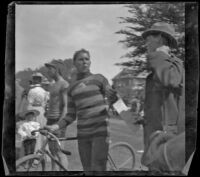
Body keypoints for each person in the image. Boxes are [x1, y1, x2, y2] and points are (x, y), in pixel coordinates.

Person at [45, 49, 117, 172]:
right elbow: (71, 115)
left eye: (87, 59)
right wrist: (56, 127)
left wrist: (114, 98)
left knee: (98, 168)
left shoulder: (99, 78)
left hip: (101, 130)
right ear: (74, 63)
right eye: (81, 59)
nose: (84, 62)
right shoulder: (72, 87)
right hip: (83, 134)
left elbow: (114, 98)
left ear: (90, 62)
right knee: (87, 170)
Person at [140, 22, 185, 171]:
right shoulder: (154, 75)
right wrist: (117, 103)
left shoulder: (176, 65)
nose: (146, 42)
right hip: (153, 143)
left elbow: (170, 79)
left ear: (160, 38)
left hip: (167, 143)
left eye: (149, 37)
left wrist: (159, 53)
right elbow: (153, 112)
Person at [44, 61, 69, 171]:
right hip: (50, 119)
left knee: (59, 152)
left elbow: (65, 106)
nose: (48, 71)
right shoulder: (52, 85)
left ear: (57, 69)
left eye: (50, 69)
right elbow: (53, 102)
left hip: (58, 120)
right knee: (52, 151)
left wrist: (60, 124)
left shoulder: (64, 84)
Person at [27, 73, 49, 153]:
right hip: (42, 111)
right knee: (42, 130)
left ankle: (34, 151)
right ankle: (43, 150)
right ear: (40, 80)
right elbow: (45, 103)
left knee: (34, 130)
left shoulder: (32, 91)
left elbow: (29, 103)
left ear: (34, 80)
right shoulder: (44, 91)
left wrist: (28, 114)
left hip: (33, 110)